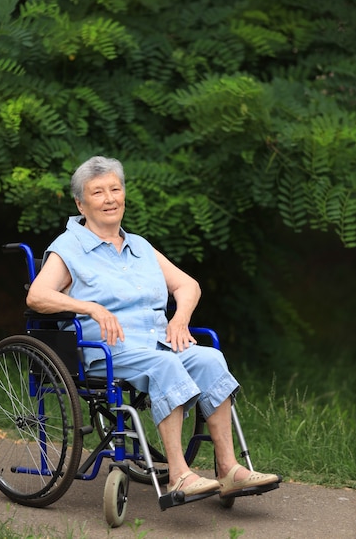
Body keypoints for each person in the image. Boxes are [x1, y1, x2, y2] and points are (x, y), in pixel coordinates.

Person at [26, 156, 281, 497]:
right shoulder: (69, 248)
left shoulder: (140, 247)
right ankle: (178, 474)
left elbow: (188, 285)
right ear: (80, 203)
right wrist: (88, 307)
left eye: (115, 189)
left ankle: (228, 468)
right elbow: (38, 296)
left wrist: (180, 318)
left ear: (125, 195)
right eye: (98, 192)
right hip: (108, 351)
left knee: (209, 359)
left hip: (157, 343)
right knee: (167, 365)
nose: (109, 198)